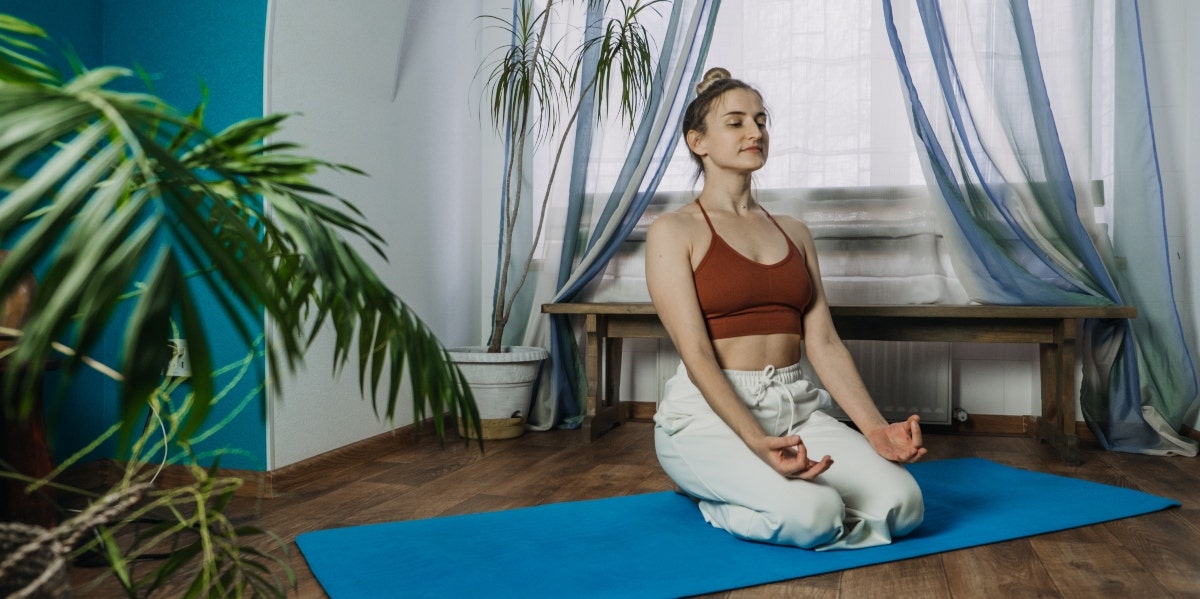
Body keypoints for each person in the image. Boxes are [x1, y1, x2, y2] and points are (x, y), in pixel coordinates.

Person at [645, 67, 926, 550]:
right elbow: (697, 356)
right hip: (709, 416)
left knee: (903, 507)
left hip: (794, 407)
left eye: (761, 120)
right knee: (815, 518)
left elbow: (823, 343)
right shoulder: (673, 231)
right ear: (698, 141)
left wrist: (876, 429)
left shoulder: (794, 231)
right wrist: (755, 441)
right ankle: (711, 490)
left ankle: (775, 492)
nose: (755, 132)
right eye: (735, 122)